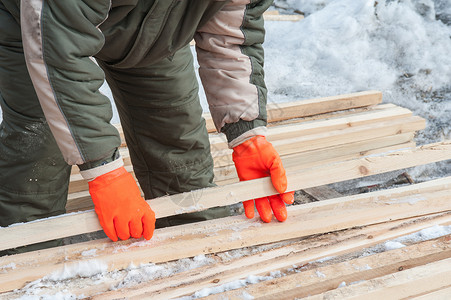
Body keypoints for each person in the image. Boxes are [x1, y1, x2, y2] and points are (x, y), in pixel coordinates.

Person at [0, 0, 294, 254]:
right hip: (41, 26)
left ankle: (199, 265)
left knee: (179, 154)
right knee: (39, 149)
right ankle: (25, 266)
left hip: (152, 31)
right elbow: (58, 51)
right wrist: (105, 174)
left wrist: (246, 135)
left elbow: (232, 35)